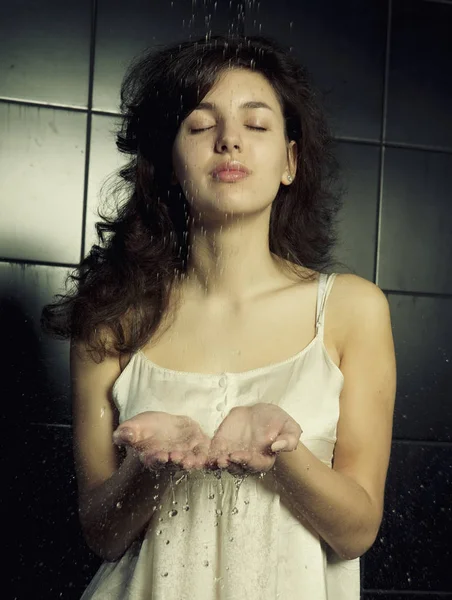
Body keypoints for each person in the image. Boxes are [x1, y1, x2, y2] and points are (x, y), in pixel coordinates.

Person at [41, 33, 396, 600]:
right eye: (201, 126)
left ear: (290, 161)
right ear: (173, 164)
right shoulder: (109, 322)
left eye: (256, 126)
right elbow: (101, 537)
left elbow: (357, 531)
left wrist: (282, 457)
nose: (230, 140)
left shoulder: (353, 309)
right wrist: (148, 468)